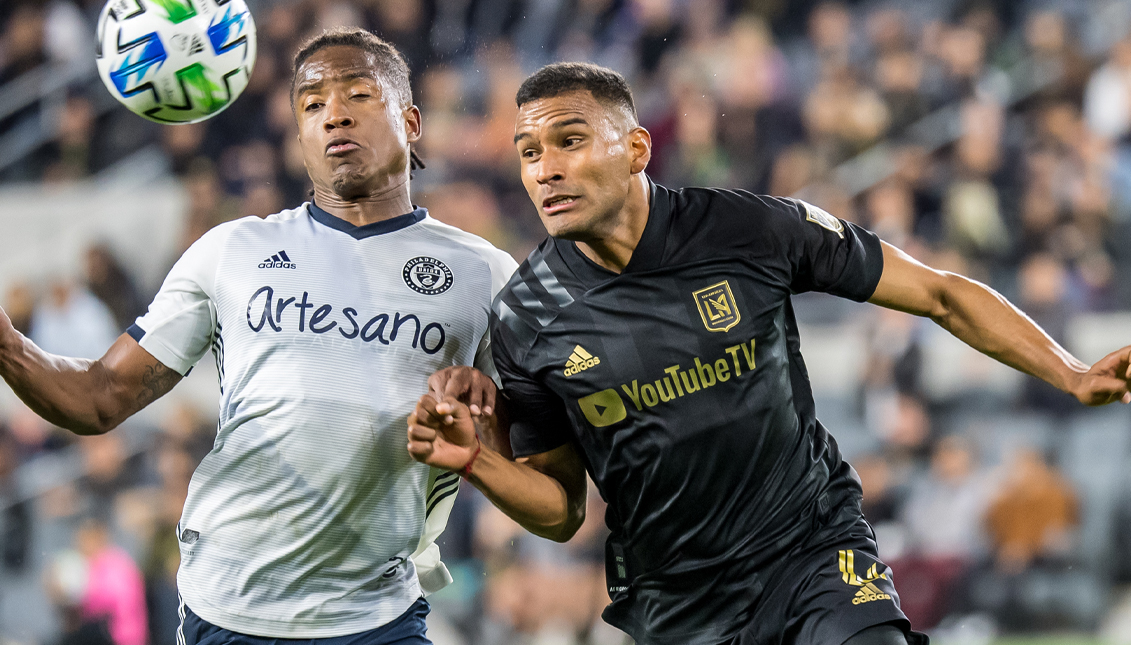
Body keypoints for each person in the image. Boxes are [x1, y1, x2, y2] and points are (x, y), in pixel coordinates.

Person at [406, 62, 1131, 645]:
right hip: (678, 600)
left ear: (635, 148)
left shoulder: (748, 229)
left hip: (810, 545)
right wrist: (479, 461)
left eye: (568, 140)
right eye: (528, 152)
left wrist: (1067, 371)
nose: (544, 169)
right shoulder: (525, 317)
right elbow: (561, 510)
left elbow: (938, 293)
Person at [0, 27, 516, 644]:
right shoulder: (233, 250)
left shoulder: (483, 274)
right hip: (228, 610)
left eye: (358, 94)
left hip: (379, 615)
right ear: (299, 136)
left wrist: (485, 434)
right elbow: (100, 397)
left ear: (411, 120)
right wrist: (7, 344)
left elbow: (542, 475)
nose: (334, 116)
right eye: (312, 104)